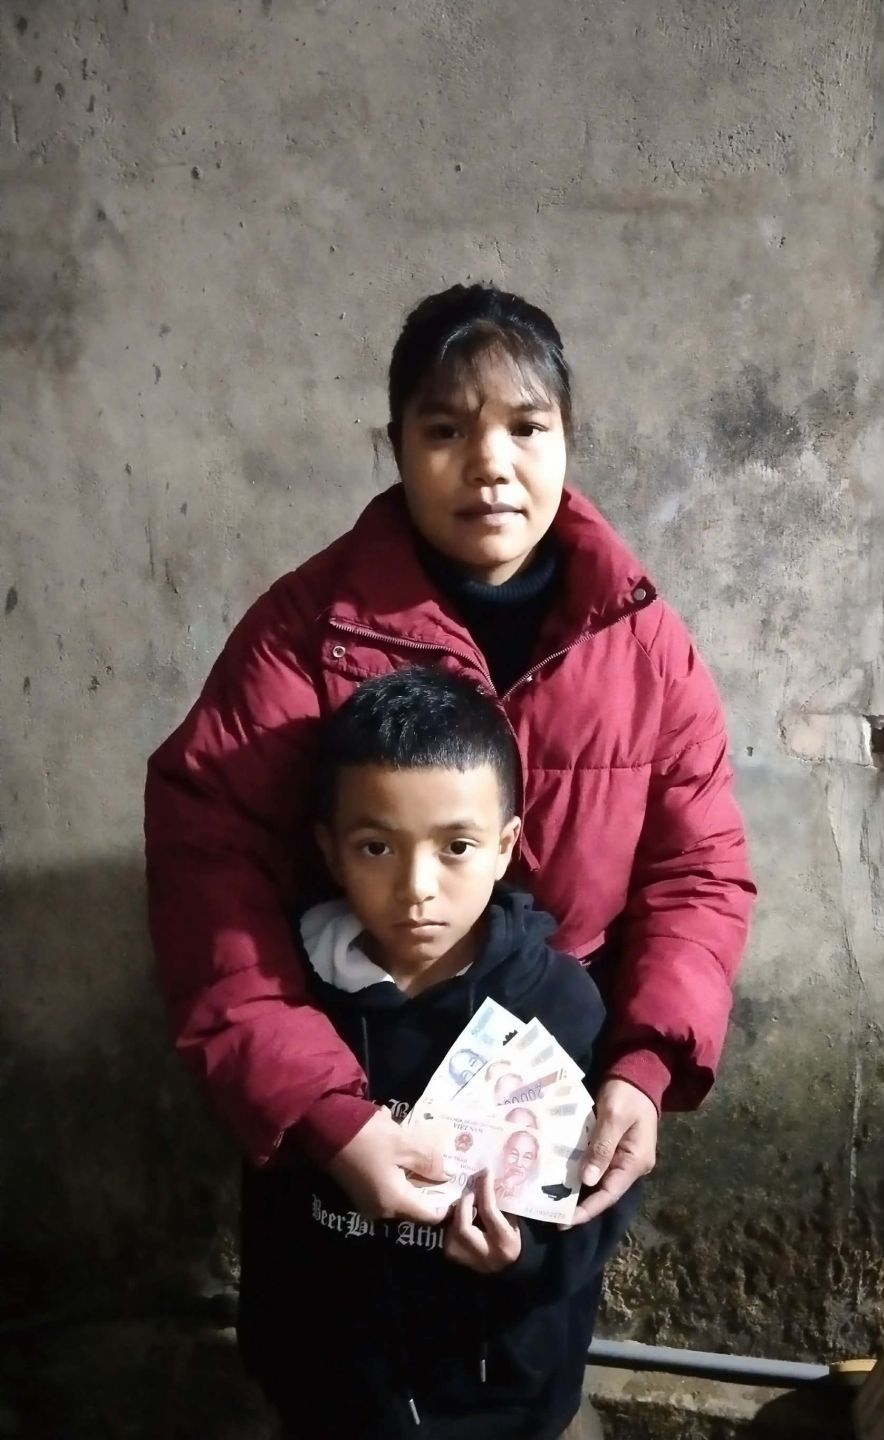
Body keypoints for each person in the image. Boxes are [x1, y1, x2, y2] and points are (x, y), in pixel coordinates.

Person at [145, 281, 755, 1236]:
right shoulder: (307, 635)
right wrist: (325, 1110)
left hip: (557, 1086)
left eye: (527, 428)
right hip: (353, 1071)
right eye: (445, 432)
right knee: (338, 1311)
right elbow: (208, 867)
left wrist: (645, 1067)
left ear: (567, 440)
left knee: (534, 1315)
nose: (490, 465)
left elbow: (698, 871)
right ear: (396, 445)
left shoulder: (646, 648)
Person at [239, 668, 631, 1439]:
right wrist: (276, 1350)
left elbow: (599, 1201)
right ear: (329, 851)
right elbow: (270, 1194)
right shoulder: (286, 1001)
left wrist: (523, 1258)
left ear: (505, 846)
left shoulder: (558, 1006)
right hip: (329, 1392)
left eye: (456, 846)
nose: (417, 887)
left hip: (500, 1395)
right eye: (376, 847)